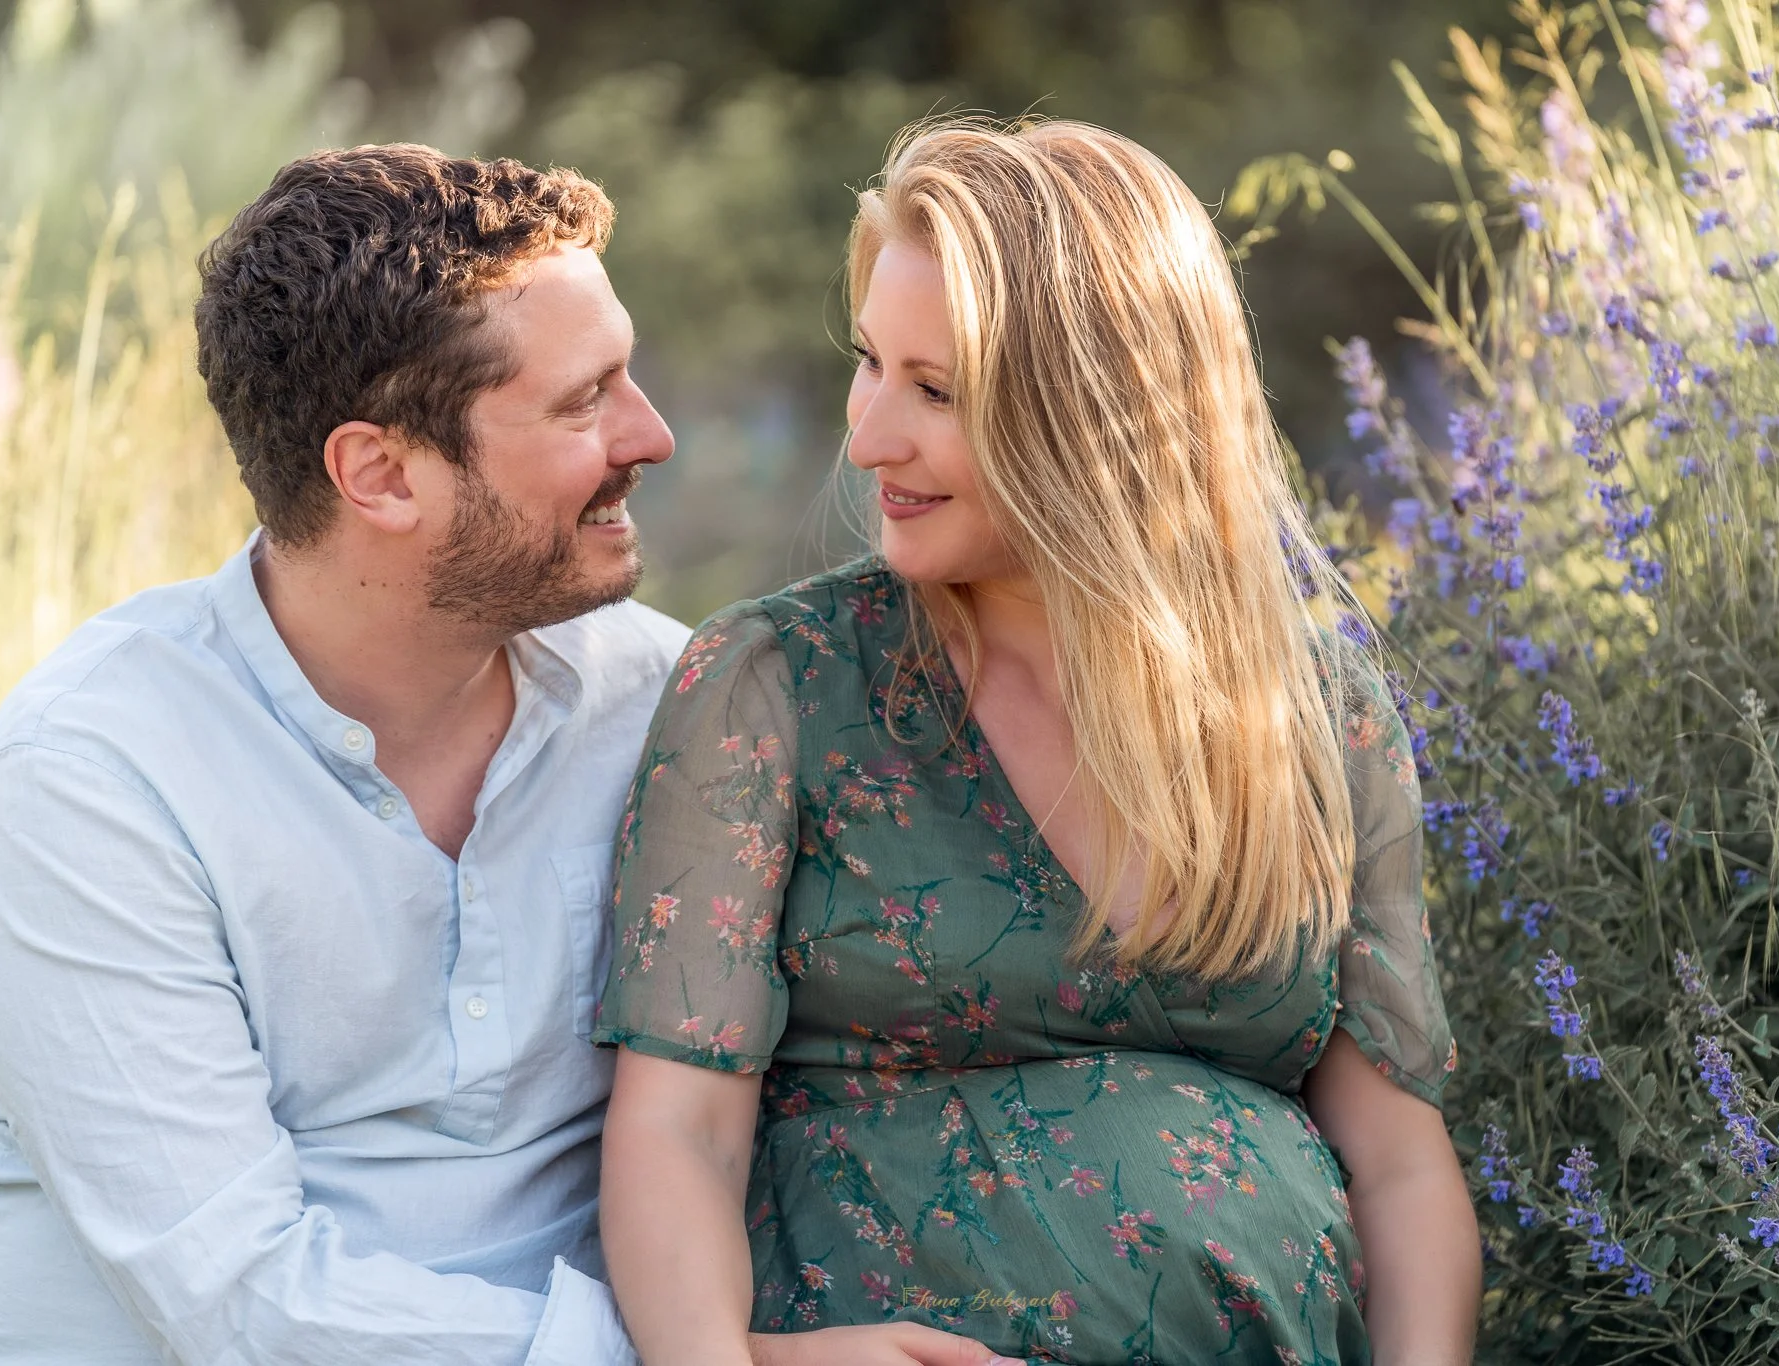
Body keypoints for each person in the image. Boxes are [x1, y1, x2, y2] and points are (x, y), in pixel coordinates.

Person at [0, 143, 998, 1366]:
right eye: (583, 401)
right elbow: (236, 1297)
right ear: (381, 475)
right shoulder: (91, 783)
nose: (652, 434)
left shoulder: (668, 703)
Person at [595, 118, 1482, 1366]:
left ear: (1100, 417)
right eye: (868, 365)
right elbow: (679, 1132)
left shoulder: (1311, 718)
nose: (866, 437)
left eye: (935, 391)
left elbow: (1395, 1163)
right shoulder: (775, 686)